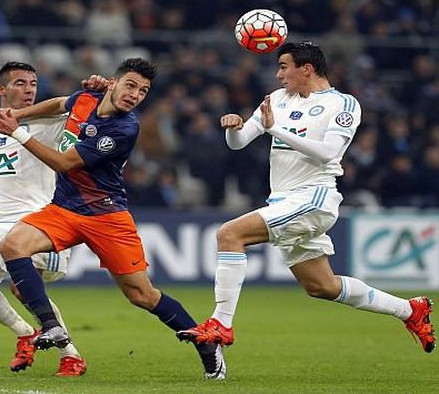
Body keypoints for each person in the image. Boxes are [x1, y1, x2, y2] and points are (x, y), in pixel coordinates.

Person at [177, 42, 435, 356]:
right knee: (321, 286)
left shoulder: (344, 104)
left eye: (284, 66)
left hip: (314, 198)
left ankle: (221, 323)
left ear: (307, 69)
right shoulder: (276, 99)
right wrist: (234, 128)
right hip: (284, 201)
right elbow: (239, 142)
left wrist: (278, 131)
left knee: (229, 234)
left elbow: (328, 152)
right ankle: (410, 310)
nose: (278, 74)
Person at [0, 58, 227, 380]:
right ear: (112, 83)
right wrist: (19, 113)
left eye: (143, 91)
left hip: (107, 216)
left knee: (142, 295)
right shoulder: (86, 98)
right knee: (13, 245)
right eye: (130, 85)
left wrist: (17, 131)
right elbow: (61, 103)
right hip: (65, 209)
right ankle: (52, 327)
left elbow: (63, 163)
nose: (135, 95)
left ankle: (206, 344)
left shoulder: (125, 128)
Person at [0, 61, 105, 376]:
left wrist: (93, 91)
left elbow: (75, 105)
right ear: (1, 89)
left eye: (33, 84)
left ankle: (71, 355)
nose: (29, 90)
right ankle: (25, 333)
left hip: (37, 218)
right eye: (20, 83)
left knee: (22, 287)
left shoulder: (51, 122)